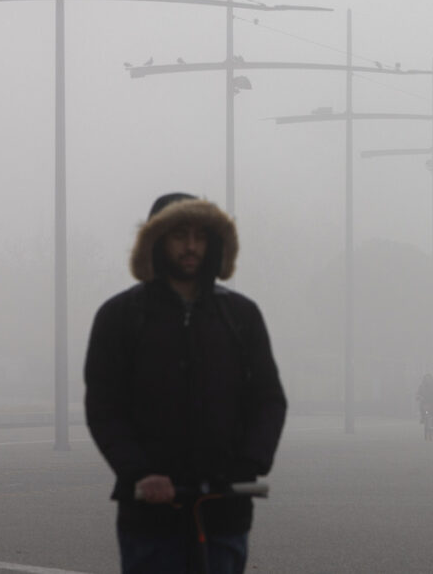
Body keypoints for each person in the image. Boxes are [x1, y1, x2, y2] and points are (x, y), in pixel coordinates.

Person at [85, 193, 287, 574]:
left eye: (200, 235)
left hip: (224, 512)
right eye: (179, 234)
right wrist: (139, 472)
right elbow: (104, 407)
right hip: (150, 518)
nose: (191, 246)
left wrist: (249, 463)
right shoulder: (119, 317)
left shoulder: (241, 315)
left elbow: (269, 399)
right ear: (155, 241)